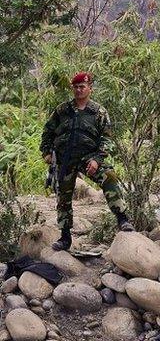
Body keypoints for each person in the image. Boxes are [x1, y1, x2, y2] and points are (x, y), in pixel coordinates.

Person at [40, 72, 134, 251]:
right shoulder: (62, 110)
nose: (78, 90)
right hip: (65, 158)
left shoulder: (99, 112)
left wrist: (97, 159)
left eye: (82, 87)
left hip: (89, 157)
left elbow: (107, 139)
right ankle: (65, 237)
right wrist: (46, 152)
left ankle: (123, 219)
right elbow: (48, 132)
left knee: (109, 177)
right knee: (63, 197)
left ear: (90, 88)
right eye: (75, 87)